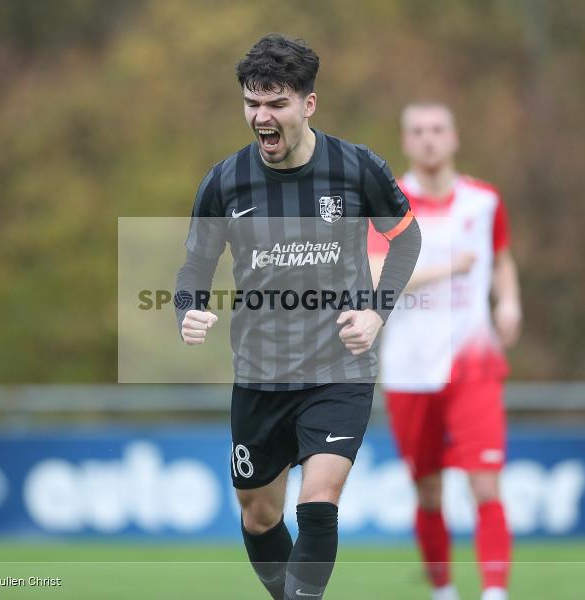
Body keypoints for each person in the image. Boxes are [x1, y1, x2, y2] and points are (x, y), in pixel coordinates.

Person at [174, 34, 421, 600]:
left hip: (341, 366)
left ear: (308, 104)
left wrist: (377, 314)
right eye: (252, 103)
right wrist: (188, 310)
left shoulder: (358, 168)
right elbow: (195, 266)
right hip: (260, 373)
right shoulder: (224, 181)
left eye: (276, 103)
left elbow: (406, 241)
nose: (262, 116)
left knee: (318, 501)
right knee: (261, 517)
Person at [368, 102, 522, 600]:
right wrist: (449, 268)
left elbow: (500, 259)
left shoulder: (484, 200)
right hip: (410, 367)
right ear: (405, 141)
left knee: (485, 483)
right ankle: (444, 590)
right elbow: (374, 278)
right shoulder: (387, 206)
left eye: (437, 130)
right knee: (428, 490)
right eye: (418, 131)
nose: (429, 139)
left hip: (473, 362)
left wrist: (510, 302)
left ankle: (494, 593)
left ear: (454, 138)